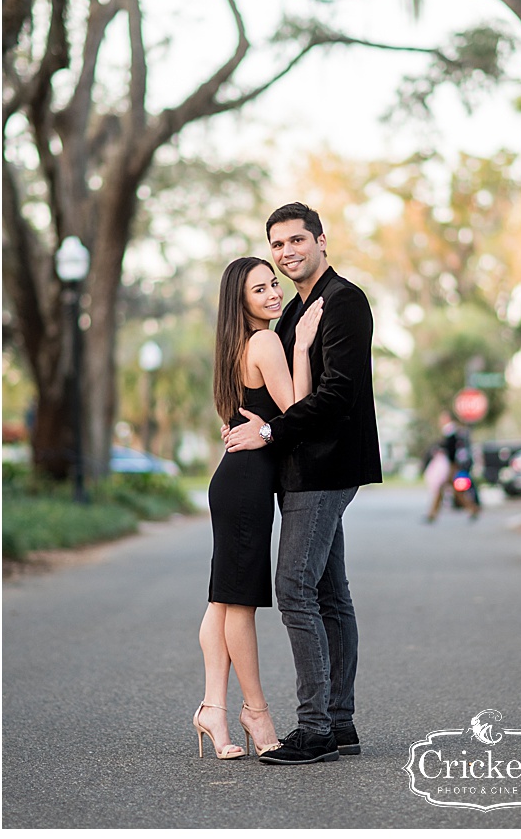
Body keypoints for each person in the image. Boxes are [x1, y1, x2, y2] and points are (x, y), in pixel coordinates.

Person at [225, 202, 382, 765]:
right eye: (278, 244)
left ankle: (314, 729)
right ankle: (340, 724)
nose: (287, 252)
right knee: (329, 594)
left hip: (327, 467)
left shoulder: (345, 303)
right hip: (300, 472)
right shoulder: (291, 312)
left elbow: (338, 394)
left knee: (293, 589)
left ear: (321, 241)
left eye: (297, 240)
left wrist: (268, 432)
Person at [196, 257, 323, 760]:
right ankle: (255, 710)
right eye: (260, 289)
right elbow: (299, 410)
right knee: (239, 604)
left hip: (231, 482)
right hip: (247, 488)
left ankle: (211, 710)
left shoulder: (231, 348)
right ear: (240, 300)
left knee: (222, 601)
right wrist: (304, 347)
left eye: (274, 284)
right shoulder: (267, 342)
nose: (273, 293)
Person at [424, 411, 480, 522]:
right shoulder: (453, 432)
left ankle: (472, 508)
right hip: (450, 465)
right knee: (445, 489)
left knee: (454, 490)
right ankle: (432, 514)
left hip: (451, 466)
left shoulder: (451, 432)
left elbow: (451, 450)